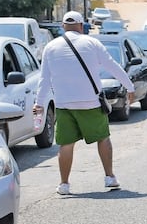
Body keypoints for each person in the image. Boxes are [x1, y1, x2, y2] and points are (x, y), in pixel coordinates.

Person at [34, 11, 136, 195]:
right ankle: (109, 177)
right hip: (91, 102)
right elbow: (112, 65)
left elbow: (44, 79)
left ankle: (64, 184)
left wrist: (39, 103)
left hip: (64, 104)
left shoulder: (50, 47)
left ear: (63, 26)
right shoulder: (92, 43)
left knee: (66, 144)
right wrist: (129, 87)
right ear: (81, 26)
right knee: (103, 138)